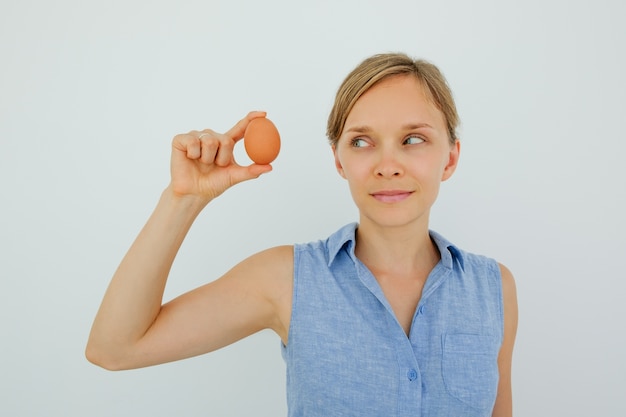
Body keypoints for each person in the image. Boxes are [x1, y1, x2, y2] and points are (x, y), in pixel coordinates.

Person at [86, 52, 518, 417]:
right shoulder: (286, 280)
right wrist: (184, 198)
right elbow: (115, 347)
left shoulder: (494, 288)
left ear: (450, 158)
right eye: (362, 142)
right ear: (338, 160)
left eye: (413, 139)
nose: (388, 164)